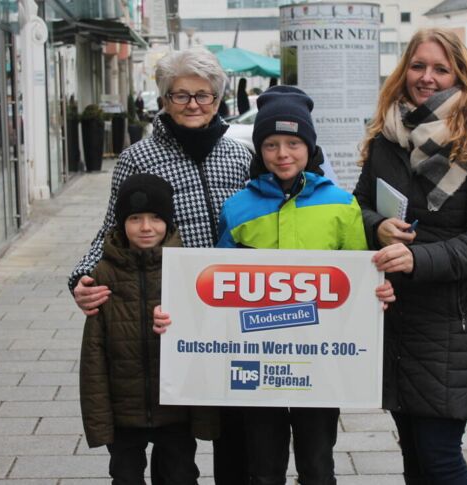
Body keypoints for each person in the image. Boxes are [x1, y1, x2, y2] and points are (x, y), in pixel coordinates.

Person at [353, 28, 467, 484]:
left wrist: (418, 259)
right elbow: (359, 204)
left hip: (451, 322)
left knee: (440, 458)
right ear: (403, 71)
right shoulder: (388, 135)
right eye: (417, 66)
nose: (426, 77)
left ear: (460, 74)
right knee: (415, 457)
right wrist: (376, 226)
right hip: (395, 317)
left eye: (440, 68)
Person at [69, 47, 253, 485]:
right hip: (170, 311)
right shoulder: (139, 157)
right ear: (165, 99)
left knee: (235, 432)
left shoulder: (239, 156)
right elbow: (111, 228)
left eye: (204, 95)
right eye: (180, 95)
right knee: (179, 436)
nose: (193, 104)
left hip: (230, 308)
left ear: (218, 99)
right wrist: (82, 278)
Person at [210, 85, 395, 485]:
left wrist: (375, 293)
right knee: (263, 468)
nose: (282, 154)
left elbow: (358, 277)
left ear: (310, 147)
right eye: (271, 144)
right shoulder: (237, 208)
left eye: (293, 143)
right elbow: (221, 284)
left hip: (320, 361)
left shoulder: (341, 205)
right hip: (258, 360)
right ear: (259, 149)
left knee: (317, 465)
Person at [80, 174, 216, 484]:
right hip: (124, 409)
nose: (146, 227)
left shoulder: (187, 269)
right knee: (125, 477)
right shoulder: (103, 273)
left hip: (175, 409)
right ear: (121, 223)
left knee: (180, 476)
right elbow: (93, 354)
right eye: (135, 218)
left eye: (156, 217)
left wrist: (204, 416)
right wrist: (100, 420)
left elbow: (205, 342)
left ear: (169, 221)